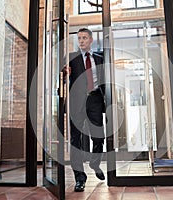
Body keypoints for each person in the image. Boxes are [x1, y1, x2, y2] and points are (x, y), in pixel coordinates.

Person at [66, 28, 105, 192]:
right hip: (77, 102)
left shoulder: (100, 58)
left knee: (98, 137)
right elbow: (61, 81)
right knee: (75, 140)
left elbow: (105, 82)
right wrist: (65, 74)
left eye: (84, 38)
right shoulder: (71, 58)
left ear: (91, 40)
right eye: (79, 38)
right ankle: (79, 178)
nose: (80, 41)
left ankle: (95, 163)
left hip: (95, 99)